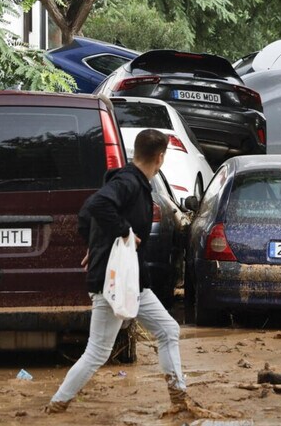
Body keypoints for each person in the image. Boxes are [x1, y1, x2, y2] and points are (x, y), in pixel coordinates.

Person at [45, 129, 196, 414]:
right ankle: (57, 404)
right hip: (113, 282)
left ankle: (179, 398)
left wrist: (97, 242)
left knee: (167, 330)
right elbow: (98, 205)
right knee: (98, 351)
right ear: (160, 158)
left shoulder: (133, 182)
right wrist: (122, 231)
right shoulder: (129, 182)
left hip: (133, 282)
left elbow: (87, 215)